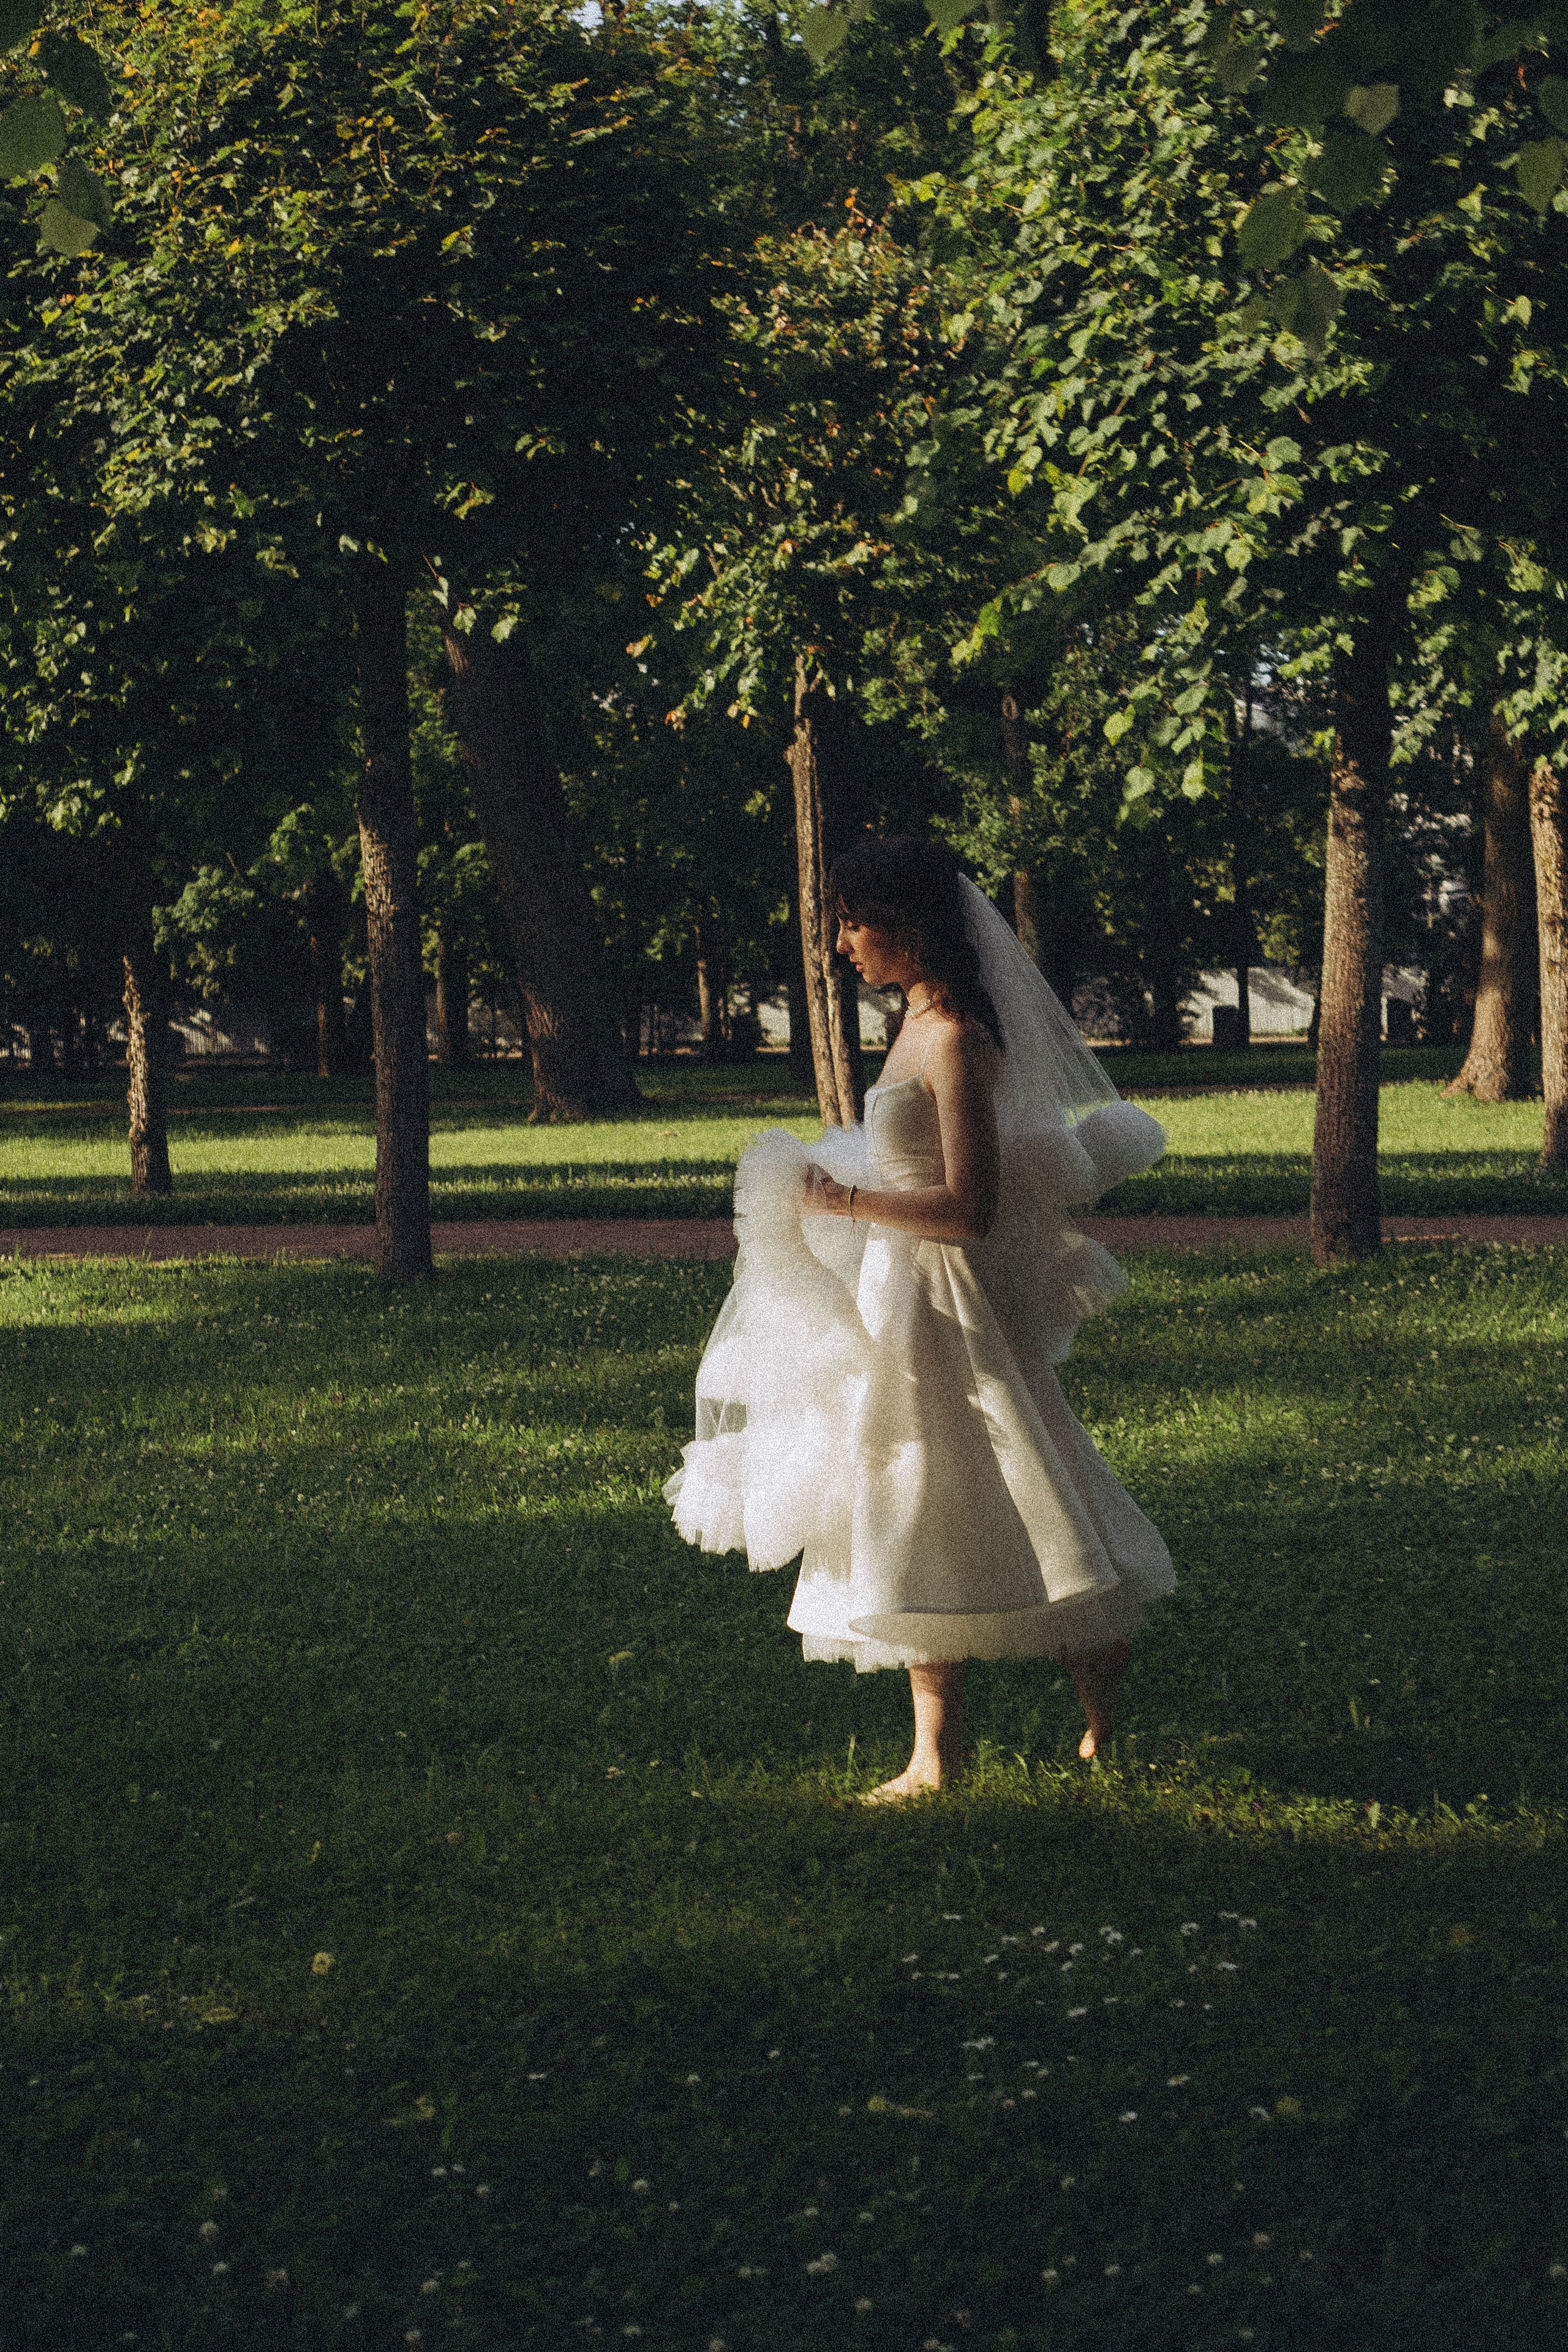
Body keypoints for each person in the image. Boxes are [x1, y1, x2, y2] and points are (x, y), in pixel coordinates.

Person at [666, 837, 1173, 1800]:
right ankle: (933, 1757)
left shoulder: (955, 1040)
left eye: (855, 922)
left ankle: (1097, 1677)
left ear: (909, 923)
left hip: (942, 1296)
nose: (843, 944)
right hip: (893, 1291)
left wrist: (841, 1202)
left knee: (998, 1474)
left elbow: (971, 1211)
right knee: (903, 1491)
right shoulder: (913, 1023)